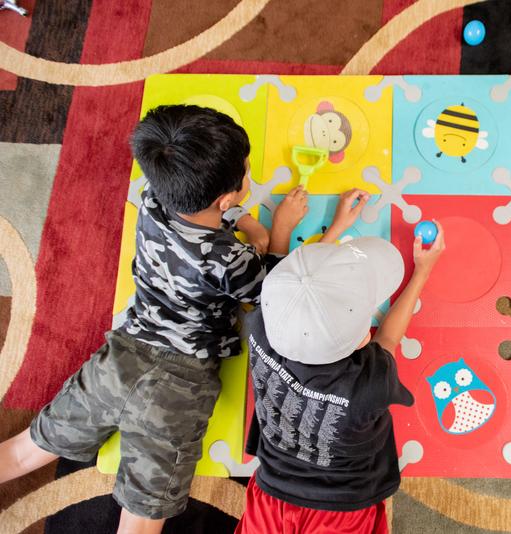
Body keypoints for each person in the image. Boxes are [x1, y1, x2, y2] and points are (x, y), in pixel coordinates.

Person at [0, 104, 369, 534]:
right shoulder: (229, 260)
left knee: (24, 453)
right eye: (246, 172)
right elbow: (277, 292)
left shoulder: (152, 198)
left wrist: (243, 221)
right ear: (227, 196)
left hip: (123, 356)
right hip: (177, 387)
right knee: (139, 519)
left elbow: (212, 223)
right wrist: (280, 232)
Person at [236, 223, 445, 533]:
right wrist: (422, 272)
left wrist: (321, 254)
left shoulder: (259, 327)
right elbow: (387, 339)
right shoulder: (371, 382)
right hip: (341, 508)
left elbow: (295, 289)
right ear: (362, 339)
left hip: (271, 494)